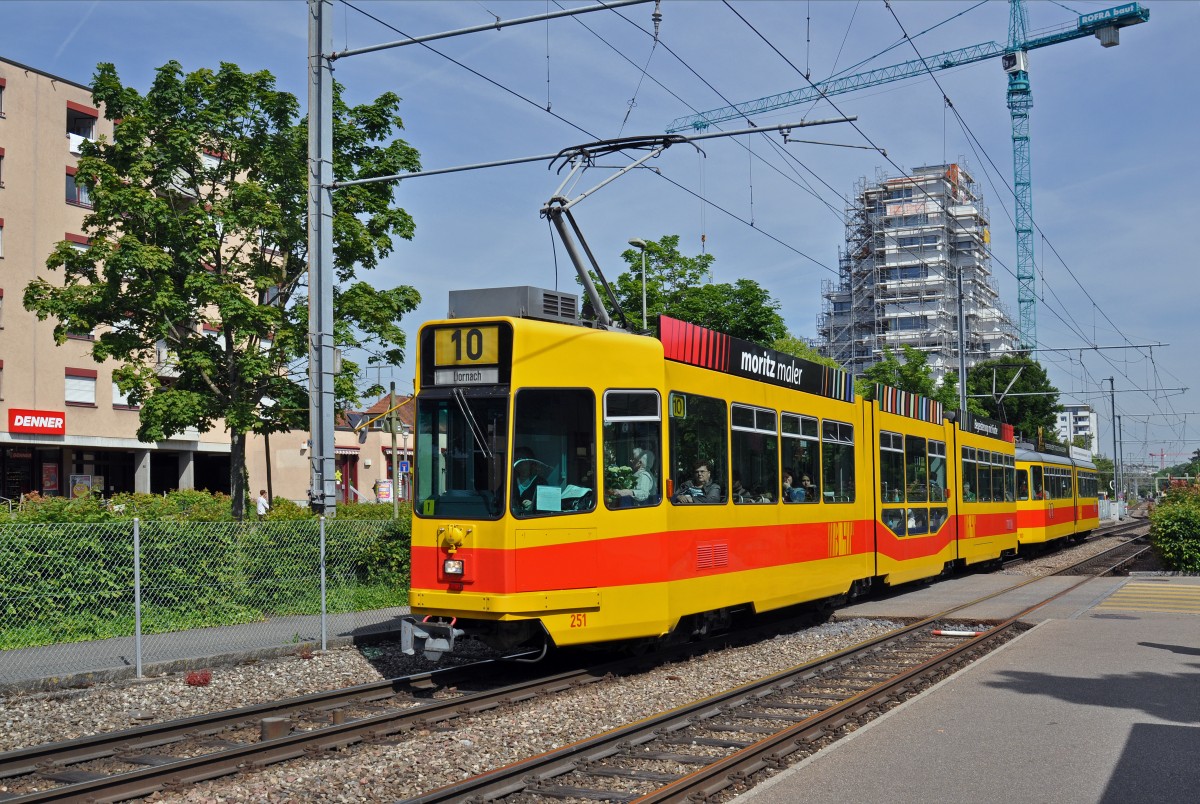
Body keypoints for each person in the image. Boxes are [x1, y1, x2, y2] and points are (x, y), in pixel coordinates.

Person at [512, 446, 546, 513]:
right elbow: (499, 502)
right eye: (516, 459)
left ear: (530, 462)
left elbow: (546, 506)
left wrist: (533, 505)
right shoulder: (510, 481)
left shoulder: (541, 482)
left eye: (521, 459)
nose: (518, 462)